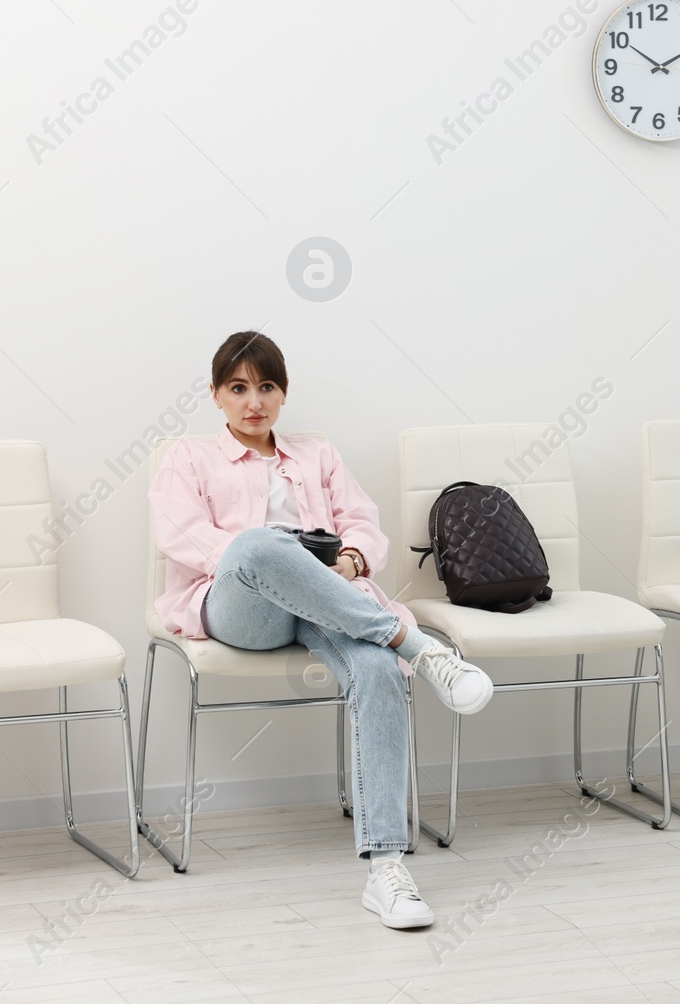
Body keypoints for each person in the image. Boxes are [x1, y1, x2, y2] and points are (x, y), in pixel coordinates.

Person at [149, 330, 492, 929]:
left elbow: (362, 522)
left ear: (283, 394)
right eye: (238, 389)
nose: (253, 401)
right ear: (216, 396)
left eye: (267, 387)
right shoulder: (188, 458)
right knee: (259, 546)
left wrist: (349, 563)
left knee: (380, 669)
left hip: (324, 604)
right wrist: (282, 558)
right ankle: (424, 650)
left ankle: (386, 868)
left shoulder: (318, 455)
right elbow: (183, 536)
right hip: (238, 609)